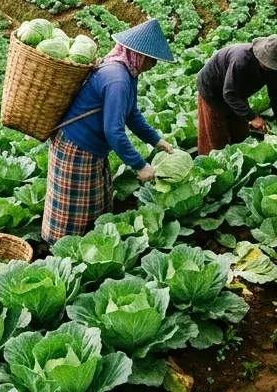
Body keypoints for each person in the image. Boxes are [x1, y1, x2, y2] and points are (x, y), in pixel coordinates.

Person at [42, 18, 177, 244]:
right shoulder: (117, 78)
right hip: (77, 145)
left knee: (95, 198)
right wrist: (140, 165)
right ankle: (58, 249)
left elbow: (131, 114)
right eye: (152, 59)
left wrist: (156, 141)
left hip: (91, 146)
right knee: (74, 206)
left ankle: (88, 244)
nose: (153, 65)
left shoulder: (127, 74)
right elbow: (114, 131)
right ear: (139, 55)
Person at [195, 35, 277, 156]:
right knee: (216, 134)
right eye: (269, 63)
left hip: (237, 91)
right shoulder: (241, 60)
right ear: (261, 56)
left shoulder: (275, 68)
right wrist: (253, 117)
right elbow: (229, 93)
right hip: (212, 89)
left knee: (241, 133)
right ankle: (212, 165)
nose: (271, 66)